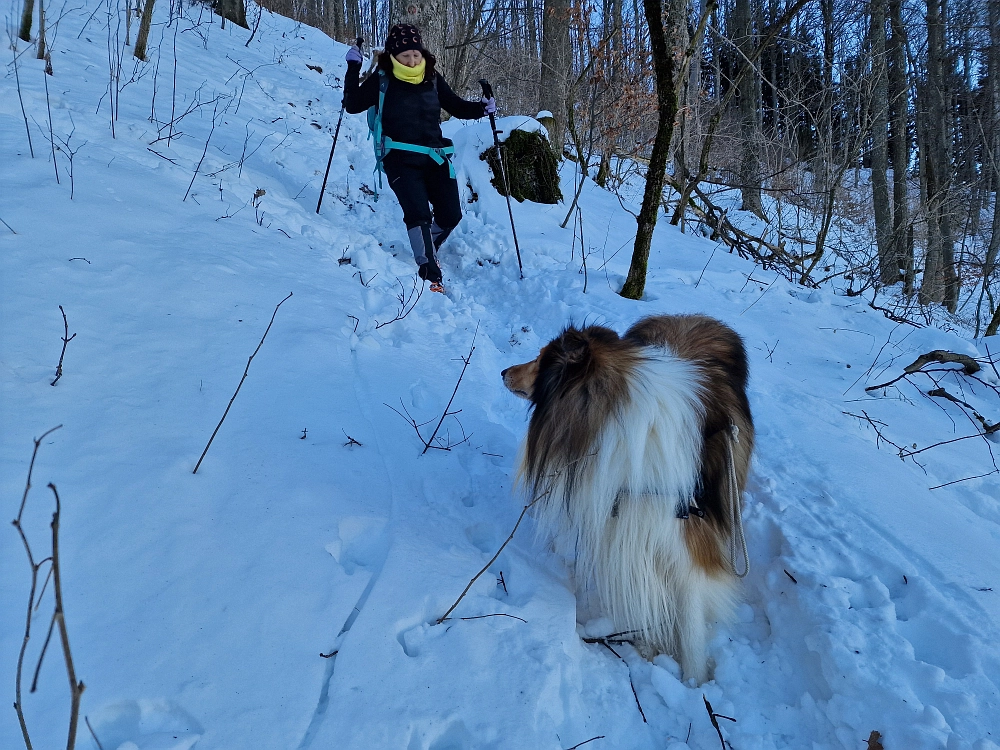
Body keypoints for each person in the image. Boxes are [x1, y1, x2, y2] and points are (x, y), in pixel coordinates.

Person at [343, 24, 496, 293]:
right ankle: (430, 274)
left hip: (435, 157)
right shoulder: (382, 79)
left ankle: (428, 245)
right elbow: (353, 104)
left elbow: (457, 106)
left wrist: (482, 109)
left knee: (451, 215)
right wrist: (352, 68)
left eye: (415, 54)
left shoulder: (432, 77)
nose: (412, 61)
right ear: (392, 55)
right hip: (399, 158)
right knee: (419, 214)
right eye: (405, 56)